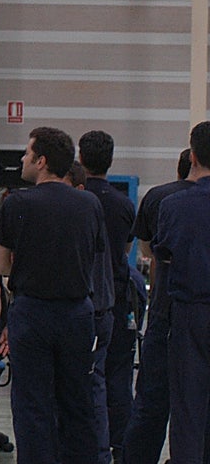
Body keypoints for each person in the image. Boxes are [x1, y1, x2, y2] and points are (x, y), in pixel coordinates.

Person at [0, 126, 104, 464]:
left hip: (32, 312)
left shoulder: (17, 204)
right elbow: (93, 254)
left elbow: (2, 264)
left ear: (41, 161)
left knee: (32, 405)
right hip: (77, 312)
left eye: (27, 153)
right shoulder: (89, 204)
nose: (23, 159)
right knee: (77, 403)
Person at [123, 146, 201, 464]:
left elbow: (150, 252)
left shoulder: (160, 198)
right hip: (195, 311)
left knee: (152, 400)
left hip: (165, 309)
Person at [151, 123, 210, 464]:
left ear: (193, 155)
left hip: (191, 311)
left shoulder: (174, 205)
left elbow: (163, 255)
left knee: (188, 407)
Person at [77, 130, 137, 462]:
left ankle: (90, 448)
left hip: (85, 298)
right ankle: (118, 446)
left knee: (87, 379)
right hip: (116, 296)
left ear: (81, 158)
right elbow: (125, 250)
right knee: (118, 378)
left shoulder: (78, 199)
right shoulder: (123, 204)